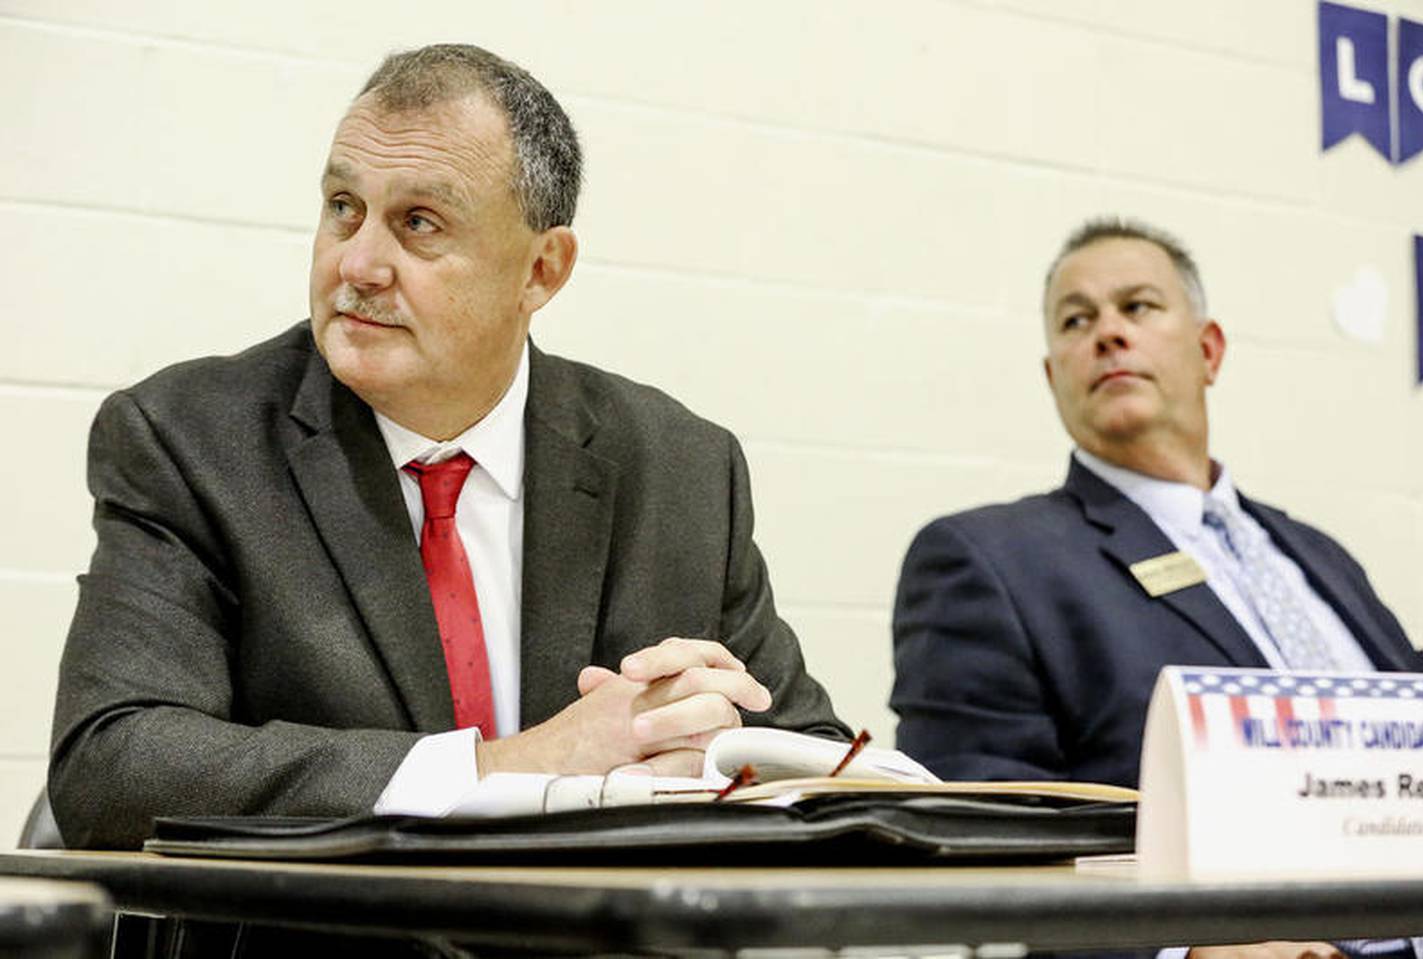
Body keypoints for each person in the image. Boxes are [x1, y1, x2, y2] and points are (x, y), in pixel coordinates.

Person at [49, 43, 846, 851]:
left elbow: (819, 764)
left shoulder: (680, 466)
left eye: (418, 223)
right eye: (342, 206)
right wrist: (509, 768)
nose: (356, 263)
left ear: (541, 269)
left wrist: (713, 749)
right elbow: (112, 767)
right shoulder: (191, 438)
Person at [891, 217, 1423, 789]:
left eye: (1138, 306)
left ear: (1209, 351)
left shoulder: (1322, 559)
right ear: (1054, 379)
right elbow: (983, 830)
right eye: (1076, 320)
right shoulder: (990, 563)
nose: (1108, 333)